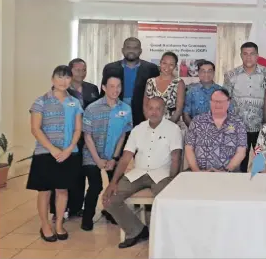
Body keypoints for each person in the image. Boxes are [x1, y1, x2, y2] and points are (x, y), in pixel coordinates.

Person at [102, 97, 182, 248]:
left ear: (164, 110)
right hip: (137, 173)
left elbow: (176, 157)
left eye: (158, 108)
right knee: (109, 200)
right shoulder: (138, 129)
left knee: (166, 201)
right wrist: (113, 182)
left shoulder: (173, 129)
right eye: (151, 108)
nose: (154, 112)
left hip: (162, 174)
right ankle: (136, 230)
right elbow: (126, 158)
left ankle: (168, 236)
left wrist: (173, 180)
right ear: (145, 110)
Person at [27, 65, 83, 242]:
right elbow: (35, 129)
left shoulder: (75, 102)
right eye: (59, 77)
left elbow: (77, 129)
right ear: (52, 79)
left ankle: (59, 223)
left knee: (62, 190)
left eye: (67, 77)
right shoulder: (41, 101)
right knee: (44, 192)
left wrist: (68, 150)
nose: (63, 81)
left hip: (67, 154)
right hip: (45, 153)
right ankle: (45, 225)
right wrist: (53, 149)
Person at [81, 71, 132, 231]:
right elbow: (87, 136)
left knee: (115, 184)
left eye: (118, 86)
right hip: (92, 154)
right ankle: (87, 218)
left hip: (113, 154)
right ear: (103, 87)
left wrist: (115, 158)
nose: (115, 90)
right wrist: (97, 160)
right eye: (111, 86)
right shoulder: (92, 108)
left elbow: (123, 134)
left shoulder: (126, 109)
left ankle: (111, 213)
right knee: (95, 186)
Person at [49, 58, 100, 220]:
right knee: (61, 174)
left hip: (86, 137)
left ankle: (76, 207)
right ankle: (57, 210)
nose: (81, 73)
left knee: (79, 174)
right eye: (77, 70)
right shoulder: (61, 88)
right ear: (70, 71)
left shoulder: (92, 88)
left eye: (84, 70)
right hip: (66, 137)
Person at [223, 42, 266, 172]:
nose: (249, 57)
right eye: (245, 54)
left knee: (260, 159)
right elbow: (226, 100)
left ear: (257, 55)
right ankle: (240, 187)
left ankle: (259, 186)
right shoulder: (231, 75)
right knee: (239, 161)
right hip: (238, 128)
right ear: (241, 55)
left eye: (252, 54)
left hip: (261, 128)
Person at [101, 37, 160, 127]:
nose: (131, 50)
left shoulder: (151, 69)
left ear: (140, 51)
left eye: (135, 48)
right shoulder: (110, 68)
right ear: (123, 50)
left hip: (141, 114)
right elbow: (103, 94)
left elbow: (155, 95)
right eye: (128, 47)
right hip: (115, 112)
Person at [184, 89, 247, 172]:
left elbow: (241, 152)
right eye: (214, 101)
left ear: (228, 102)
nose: (217, 104)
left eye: (221, 101)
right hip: (200, 173)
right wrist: (197, 172)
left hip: (229, 174)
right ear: (210, 102)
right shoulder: (197, 121)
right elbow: (189, 149)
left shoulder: (238, 123)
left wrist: (225, 171)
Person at [144, 51, 186, 127]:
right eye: (164, 63)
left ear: (175, 66)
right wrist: (151, 124)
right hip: (151, 125)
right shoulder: (150, 82)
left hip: (172, 126)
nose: (167, 67)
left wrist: (167, 127)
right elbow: (145, 106)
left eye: (171, 64)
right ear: (160, 63)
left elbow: (179, 110)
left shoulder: (179, 83)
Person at [183, 60, 230, 126]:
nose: (206, 74)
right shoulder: (191, 91)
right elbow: (186, 114)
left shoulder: (222, 91)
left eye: (209, 71)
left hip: (218, 132)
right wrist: (195, 130)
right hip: (196, 131)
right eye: (203, 71)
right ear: (198, 73)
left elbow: (229, 113)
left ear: (214, 73)